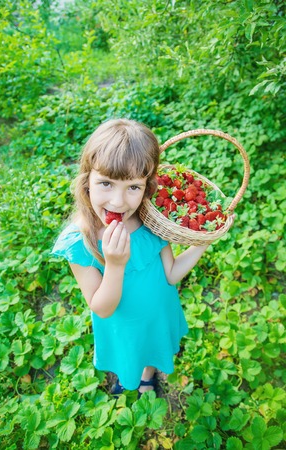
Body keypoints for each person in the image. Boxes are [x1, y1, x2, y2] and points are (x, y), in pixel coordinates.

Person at [51, 118, 229, 396]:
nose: (118, 202)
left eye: (133, 187)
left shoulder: (151, 223)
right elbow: (102, 308)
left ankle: (148, 375)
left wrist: (203, 241)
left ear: (147, 187)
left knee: (150, 346)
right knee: (130, 351)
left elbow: (170, 274)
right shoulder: (80, 241)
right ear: (87, 182)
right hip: (122, 321)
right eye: (106, 183)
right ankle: (130, 377)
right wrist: (115, 264)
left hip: (157, 310)